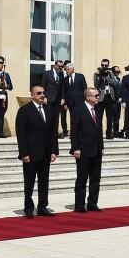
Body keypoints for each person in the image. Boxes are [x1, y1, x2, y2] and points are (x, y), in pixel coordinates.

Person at [15, 84, 59, 218]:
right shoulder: (24, 110)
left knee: (44, 182)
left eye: (43, 93)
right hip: (31, 154)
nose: (42, 95)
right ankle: (28, 208)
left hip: (45, 153)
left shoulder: (49, 109)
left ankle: (42, 207)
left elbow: (53, 132)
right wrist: (24, 154)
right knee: (29, 182)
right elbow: (21, 134)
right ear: (32, 95)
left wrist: (54, 151)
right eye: (39, 93)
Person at [71, 87, 104, 212]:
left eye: (97, 95)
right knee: (82, 179)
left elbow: (99, 130)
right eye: (95, 95)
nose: (97, 98)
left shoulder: (98, 109)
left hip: (96, 149)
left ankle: (92, 203)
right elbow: (74, 131)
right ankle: (79, 205)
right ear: (88, 96)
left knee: (95, 178)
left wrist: (101, 147)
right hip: (83, 150)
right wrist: (76, 148)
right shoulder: (78, 109)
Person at [93, 58, 121, 139]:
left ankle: (109, 134)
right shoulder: (97, 73)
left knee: (110, 117)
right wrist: (99, 76)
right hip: (101, 97)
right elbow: (96, 85)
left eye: (106, 65)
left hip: (110, 97)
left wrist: (108, 77)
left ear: (108, 65)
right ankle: (99, 134)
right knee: (99, 117)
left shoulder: (110, 73)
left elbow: (116, 84)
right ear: (100, 64)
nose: (104, 66)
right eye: (103, 65)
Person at [40, 60, 66, 139]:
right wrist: (43, 97)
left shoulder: (61, 74)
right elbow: (43, 86)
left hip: (57, 101)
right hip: (48, 99)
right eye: (59, 66)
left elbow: (62, 88)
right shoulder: (47, 73)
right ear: (55, 65)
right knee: (48, 117)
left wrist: (62, 98)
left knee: (56, 118)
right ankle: (47, 133)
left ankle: (55, 134)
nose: (61, 68)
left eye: (62, 67)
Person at [61, 62, 87, 137]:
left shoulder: (80, 76)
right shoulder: (65, 79)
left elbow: (85, 89)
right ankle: (73, 134)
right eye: (65, 70)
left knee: (81, 118)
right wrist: (65, 103)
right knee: (73, 119)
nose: (66, 71)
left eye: (68, 69)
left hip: (80, 102)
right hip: (70, 103)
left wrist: (85, 100)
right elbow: (64, 92)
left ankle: (81, 133)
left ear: (72, 69)